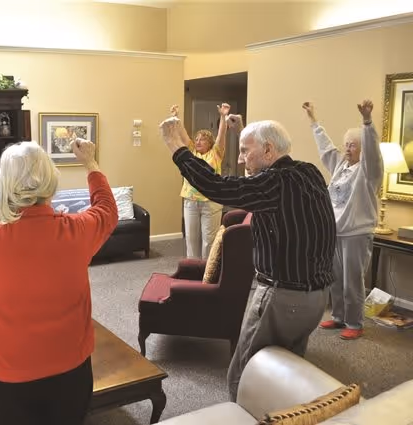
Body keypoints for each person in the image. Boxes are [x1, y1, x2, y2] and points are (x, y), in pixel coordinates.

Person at [159, 112, 336, 402]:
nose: (240, 159)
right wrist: (242, 133)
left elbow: (218, 187)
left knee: (246, 374)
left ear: (268, 150)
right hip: (316, 299)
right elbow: (252, 186)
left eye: (245, 151)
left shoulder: (274, 184)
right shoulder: (308, 172)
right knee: (286, 371)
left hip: (283, 297)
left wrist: (176, 148)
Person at [0, 139, 117, 425]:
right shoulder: (77, 231)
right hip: (71, 371)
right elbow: (107, 209)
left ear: (6, 184)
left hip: (7, 377)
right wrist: (90, 163)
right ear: (49, 181)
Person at [303, 100, 383, 340]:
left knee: (352, 281)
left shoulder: (369, 172)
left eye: (353, 146)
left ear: (361, 150)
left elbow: (373, 153)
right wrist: (313, 120)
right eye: (347, 144)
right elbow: (326, 149)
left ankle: (355, 323)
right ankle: (339, 317)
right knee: (335, 278)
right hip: (335, 232)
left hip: (356, 233)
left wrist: (367, 122)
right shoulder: (340, 165)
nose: (347, 148)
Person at [173, 103, 230, 259]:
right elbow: (182, 134)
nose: (198, 142)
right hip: (190, 201)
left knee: (209, 241)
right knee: (191, 240)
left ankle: (207, 273)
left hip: (211, 202)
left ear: (210, 143)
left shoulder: (216, 153)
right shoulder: (190, 152)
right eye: (196, 139)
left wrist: (223, 117)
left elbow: (221, 136)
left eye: (202, 140)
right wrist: (176, 117)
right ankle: (193, 271)